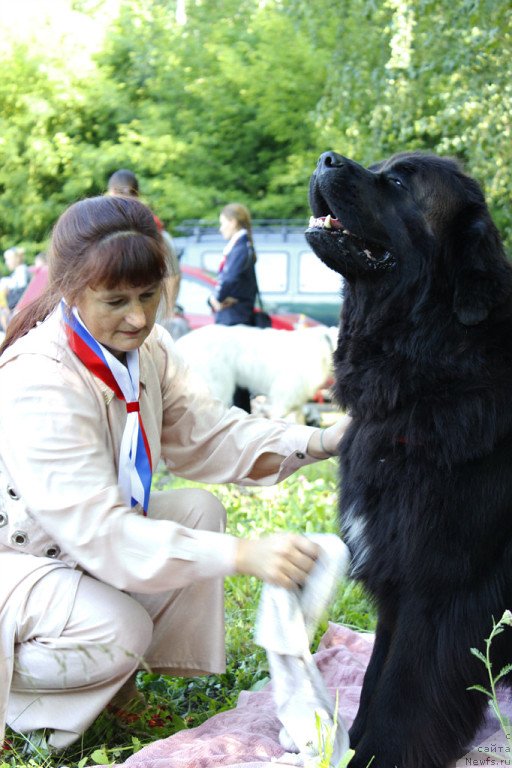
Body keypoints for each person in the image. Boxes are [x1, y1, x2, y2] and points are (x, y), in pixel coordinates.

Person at [0, 195, 349, 752]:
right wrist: (242, 555)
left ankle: (122, 685)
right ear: (69, 290)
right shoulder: (39, 380)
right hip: (19, 560)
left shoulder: (149, 348)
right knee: (118, 629)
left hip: (71, 548)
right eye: (115, 301)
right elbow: (100, 532)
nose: (138, 318)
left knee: (199, 512)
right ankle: (26, 711)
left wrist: (320, 439)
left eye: (148, 295)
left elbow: (208, 434)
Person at [106, 169, 182, 323]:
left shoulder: (102, 229)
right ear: (138, 194)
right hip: (150, 313)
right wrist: (166, 312)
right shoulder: (155, 229)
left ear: (111, 191)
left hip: (115, 314)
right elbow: (172, 277)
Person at [209, 203, 259, 412]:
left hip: (234, 318)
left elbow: (229, 279)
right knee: (236, 376)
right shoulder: (240, 247)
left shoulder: (240, 248)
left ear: (233, 222)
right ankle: (240, 419)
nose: (221, 229)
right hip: (235, 315)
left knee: (234, 375)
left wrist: (217, 298)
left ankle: (240, 422)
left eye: (223, 223)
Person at [0, 247, 30, 330]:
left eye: (8, 259)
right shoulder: (18, 272)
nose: (7, 262)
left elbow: (22, 292)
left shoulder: (22, 271)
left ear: (16, 259)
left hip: (17, 309)